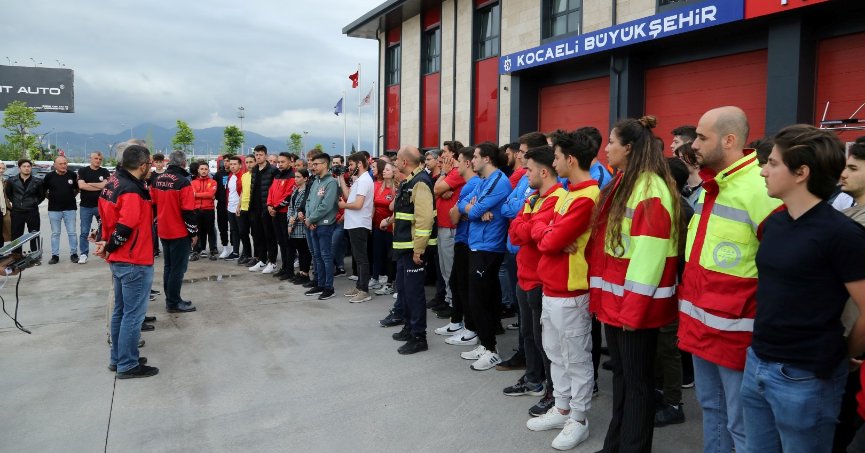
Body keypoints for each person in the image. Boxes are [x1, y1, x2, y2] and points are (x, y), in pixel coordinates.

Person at [738, 125, 865, 453]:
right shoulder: (777, 223)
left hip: (806, 377)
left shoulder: (841, 234)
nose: (763, 170)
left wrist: (845, 354)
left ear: (801, 173)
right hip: (758, 363)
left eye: (773, 163)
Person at [677, 106, 783, 453]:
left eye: (702, 137)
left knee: (743, 424)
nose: (694, 144)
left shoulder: (759, 189)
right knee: (713, 410)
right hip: (703, 330)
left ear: (730, 140)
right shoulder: (713, 185)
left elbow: (782, 270)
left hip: (737, 337)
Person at [589, 116, 679, 453]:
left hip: (633, 308)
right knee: (623, 379)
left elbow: (649, 257)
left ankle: (633, 448)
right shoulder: (625, 181)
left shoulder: (650, 188)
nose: (607, 148)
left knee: (639, 384)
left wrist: (632, 310)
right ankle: (615, 445)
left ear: (629, 147)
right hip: (618, 304)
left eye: (612, 142)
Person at [522, 132, 599, 450]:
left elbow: (548, 239)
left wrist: (546, 232)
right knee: (555, 353)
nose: (552, 163)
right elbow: (543, 232)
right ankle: (563, 408)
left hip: (572, 290)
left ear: (570, 159)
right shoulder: (568, 193)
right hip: (553, 287)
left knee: (575, 358)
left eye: (555, 158)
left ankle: (579, 419)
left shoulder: (587, 196)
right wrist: (547, 231)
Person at [94, 142, 159, 378]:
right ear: (142, 166)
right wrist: (110, 246)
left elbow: (104, 216)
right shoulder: (131, 190)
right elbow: (125, 227)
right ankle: (128, 365)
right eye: (150, 164)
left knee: (121, 312)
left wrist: (106, 244)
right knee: (133, 315)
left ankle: (118, 358)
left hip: (121, 260)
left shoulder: (113, 182)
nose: (151, 168)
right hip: (134, 260)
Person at [458, 142, 513, 370]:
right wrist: (473, 209)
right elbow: (462, 204)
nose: (473, 161)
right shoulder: (482, 181)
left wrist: (474, 209)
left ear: (487, 159)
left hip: (489, 247)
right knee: (476, 298)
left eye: (477, 157)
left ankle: (491, 350)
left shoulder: (499, 181)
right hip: (477, 243)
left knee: (481, 299)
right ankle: (484, 343)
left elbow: (476, 210)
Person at [500, 132, 549, 370]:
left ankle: (537, 374)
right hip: (518, 253)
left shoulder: (544, 187)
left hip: (532, 261)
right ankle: (527, 363)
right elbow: (509, 207)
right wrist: (521, 210)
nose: (518, 155)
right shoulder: (524, 179)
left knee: (535, 326)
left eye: (522, 151)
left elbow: (524, 218)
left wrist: (521, 211)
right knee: (525, 322)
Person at [388, 145, 435, 354]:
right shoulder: (409, 181)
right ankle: (409, 327)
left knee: (415, 293)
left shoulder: (421, 182)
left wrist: (419, 249)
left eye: (397, 160)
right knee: (405, 290)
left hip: (412, 249)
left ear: (405, 162)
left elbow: (424, 219)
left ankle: (419, 336)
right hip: (403, 247)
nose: (395, 163)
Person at [439, 147, 481, 344]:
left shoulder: (474, 184)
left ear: (466, 163)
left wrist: (460, 210)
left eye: (458, 161)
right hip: (462, 238)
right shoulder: (468, 185)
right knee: (456, 282)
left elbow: (455, 216)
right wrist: (460, 210)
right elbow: (455, 213)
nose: (454, 165)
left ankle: (470, 327)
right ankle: (456, 321)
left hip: (467, 239)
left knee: (464, 285)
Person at [151, 150, 198, 313]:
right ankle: (173, 302)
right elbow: (188, 210)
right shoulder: (183, 182)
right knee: (178, 268)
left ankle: (172, 299)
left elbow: (153, 204)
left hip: (163, 229)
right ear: (183, 163)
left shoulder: (158, 179)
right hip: (178, 231)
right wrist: (193, 232)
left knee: (169, 267)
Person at [430, 140, 465, 319]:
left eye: (445, 152)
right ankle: (450, 300)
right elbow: (435, 191)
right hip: (443, 225)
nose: (442, 155)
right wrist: (441, 191)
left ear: (453, 154)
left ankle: (453, 304)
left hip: (452, 227)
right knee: (445, 269)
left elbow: (436, 188)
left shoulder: (456, 172)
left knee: (451, 269)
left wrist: (442, 178)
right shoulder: (449, 173)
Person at [339, 152, 375, 302]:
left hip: (359, 223)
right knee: (358, 257)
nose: (349, 167)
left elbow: (358, 204)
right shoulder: (360, 180)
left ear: (359, 164)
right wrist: (340, 178)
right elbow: (348, 196)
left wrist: (343, 206)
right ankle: (360, 286)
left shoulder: (365, 180)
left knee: (361, 258)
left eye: (352, 164)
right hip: (354, 223)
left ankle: (364, 290)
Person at [304, 152, 340, 300]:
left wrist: (312, 218)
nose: (313, 167)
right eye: (312, 164)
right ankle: (320, 283)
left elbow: (326, 206)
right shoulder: (316, 181)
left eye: (316, 164)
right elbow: (309, 201)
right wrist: (309, 218)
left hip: (324, 225)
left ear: (325, 164)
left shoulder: (331, 182)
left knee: (326, 256)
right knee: (317, 256)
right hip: (313, 224)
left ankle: (329, 287)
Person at [248, 145, 279, 274]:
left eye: (260, 154)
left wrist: (271, 206)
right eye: (256, 154)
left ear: (265, 155)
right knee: (258, 235)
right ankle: (262, 260)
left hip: (267, 207)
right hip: (255, 207)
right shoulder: (254, 170)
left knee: (269, 236)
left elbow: (275, 190)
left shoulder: (272, 170)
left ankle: (272, 262)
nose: (258, 157)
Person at [43, 156, 80, 264]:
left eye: (65, 163)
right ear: (55, 165)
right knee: (55, 233)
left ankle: (74, 254)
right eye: (61, 164)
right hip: (54, 209)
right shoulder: (49, 176)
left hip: (70, 209)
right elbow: (44, 191)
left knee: (72, 233)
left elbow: (77, 189)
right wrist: (52, 198)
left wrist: (70, 196)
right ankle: (55, 256)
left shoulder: (72, 175)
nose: (64, 166)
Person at [77, 151, 111, 264]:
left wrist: (89, 184)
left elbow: (105, 185)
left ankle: (106, 251)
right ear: (90, 159)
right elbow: (81, 185)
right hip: (85, 206)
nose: (98, 161)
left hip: (101, 205)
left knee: (105, 229)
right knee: (84, 231)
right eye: (96, 158)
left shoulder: (104, 171)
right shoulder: (83, 170)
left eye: (100, 159)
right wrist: (98, 185)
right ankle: (83, 254)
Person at [267, 152, 296, 279]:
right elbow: (271, 191)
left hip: (284, 213)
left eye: (283, 162)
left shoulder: (293, 176)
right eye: (279, 162)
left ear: (290, 162)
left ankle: (289, 270)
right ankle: (284, 267)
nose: (280, 164)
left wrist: (276, 207)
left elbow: (289, 196)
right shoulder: (277, 175)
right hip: (275, 213)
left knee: (287, 243)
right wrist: (269, 205)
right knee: (280, 242)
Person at [6, 159, 44, 256]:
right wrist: (16, 202)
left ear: (31, 168)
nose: (27, 168)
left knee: (34, 234)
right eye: (24, 166)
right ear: (19, 168)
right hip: (17, 211)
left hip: (32, 211)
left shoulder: (38, 181)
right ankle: (16, 256)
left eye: (28, 166)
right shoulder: (11, 181)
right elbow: (9, 194)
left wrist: (34, 202)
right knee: (16, 235)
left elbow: (42, 195)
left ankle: (35, 255)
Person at [287, 169, 312, 284]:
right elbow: (291, 208)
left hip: (302, 225)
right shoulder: (295, 191)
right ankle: (301, 271)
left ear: (306, 178)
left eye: (298, 177)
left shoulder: (307, 191)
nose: (296, 179)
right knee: (299, 249)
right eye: (295, 177)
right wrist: (290, 221)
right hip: (294, 226)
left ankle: (305, 273)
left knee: (304, 250)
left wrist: (294, 218)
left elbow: (305, 207)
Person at [190, 160, 218, 261]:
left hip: (209, 210)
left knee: (210, 231)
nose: (204, 171)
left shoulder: (213, 182)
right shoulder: (193, 182)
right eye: (202, 169)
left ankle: (212, 251)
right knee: (197, 231)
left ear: (208, 170)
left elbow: (210, 194)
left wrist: (197, 194)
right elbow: (191, 195)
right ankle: (196, 251)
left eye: (206, 169)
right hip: (196, 210)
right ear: (198, 170)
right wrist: (205, 194)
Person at [236, 155, 255, 265]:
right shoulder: (244, 176)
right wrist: (238, 206)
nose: (249, 164)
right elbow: (243, 192)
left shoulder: (257, 175)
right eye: (247, 162)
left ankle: (257, 256)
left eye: (251, 162)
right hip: (243, 208)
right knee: (243, 232)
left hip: (253, 209)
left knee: (255, 234)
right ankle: (247, 254)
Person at [224, 155, 244, 261]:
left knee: (242, 231)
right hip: (230, 207)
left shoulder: (243, 176)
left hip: (239, 208)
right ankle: (235, 252)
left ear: (240, 165)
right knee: (234, 231)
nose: (232, 166)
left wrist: (239, 206)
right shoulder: (230, 176)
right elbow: (229, 192)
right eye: (231, 164)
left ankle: (246, 253)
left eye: (234, 164)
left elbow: (243, 193)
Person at [149, 153, 167, 257]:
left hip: (165, 203)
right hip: (154, 205)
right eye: (157, 162)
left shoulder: (167, 174)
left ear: (164, 162)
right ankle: (155, 248)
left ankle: (166, 247)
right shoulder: (151, 175)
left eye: (161, 162)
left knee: (165, 226)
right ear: (154, 163)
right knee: (154, 227)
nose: (159, 164)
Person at [215, 155, 232, 258]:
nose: (226, 163)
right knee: (222, 227)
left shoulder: (234, 174)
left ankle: (235, 248)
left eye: (228, 161)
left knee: (234, 228)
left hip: (232, 204)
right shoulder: (218, 174)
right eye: (225, 161)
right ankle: (225, 248)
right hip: (221, 204)